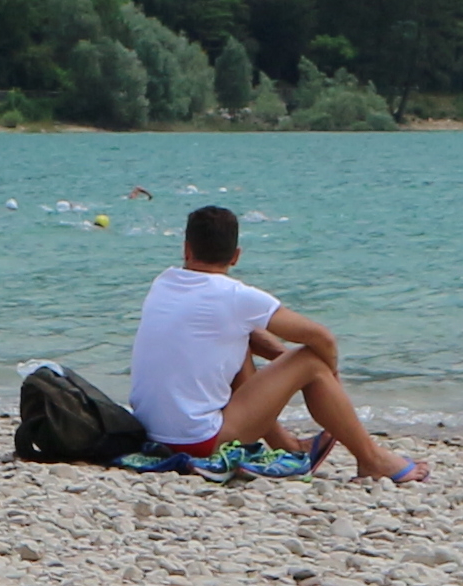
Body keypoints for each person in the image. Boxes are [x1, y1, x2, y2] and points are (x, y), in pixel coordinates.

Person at [127, 205, 421, 481]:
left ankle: (287, 444)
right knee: (310, 359)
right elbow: (322, 338)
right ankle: (371, 458)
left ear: (186, 249)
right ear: (236, 256)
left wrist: (282, 365)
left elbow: (245, 333)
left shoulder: (163, 282)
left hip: (150, 435)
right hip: (200, 443)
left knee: (239, 341)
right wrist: (326, 377)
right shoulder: (234, 295)